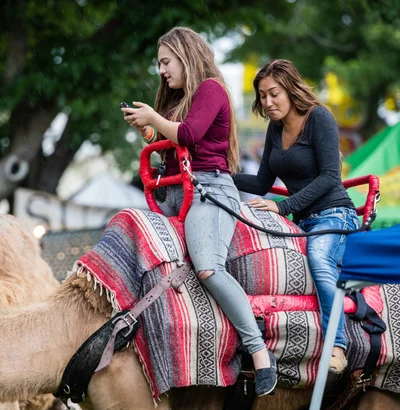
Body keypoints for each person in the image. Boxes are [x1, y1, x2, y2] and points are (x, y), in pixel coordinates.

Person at [121, 26, 277, 396]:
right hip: (173, 190)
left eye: (166, 61)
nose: (161, 70)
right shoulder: (175, 99)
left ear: (186, 55)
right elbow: (172, 144)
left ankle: (258, 352)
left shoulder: (211, 88)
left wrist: (154, 119)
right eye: (158, 63)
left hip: (209, 189)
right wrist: (149, 130)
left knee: (207, 267)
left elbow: (189, 135)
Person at [233, 59, 360, 374]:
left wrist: (282, 206)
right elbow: (262, 183)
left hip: (335, 214)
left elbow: (331, 177)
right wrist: (218, 174)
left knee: (319, 260)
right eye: (262, 96)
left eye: (273, 93)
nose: (268, 102)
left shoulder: (319, 118)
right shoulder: (274, 129)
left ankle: (338, 347)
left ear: (290, 89)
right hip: (302, 223)